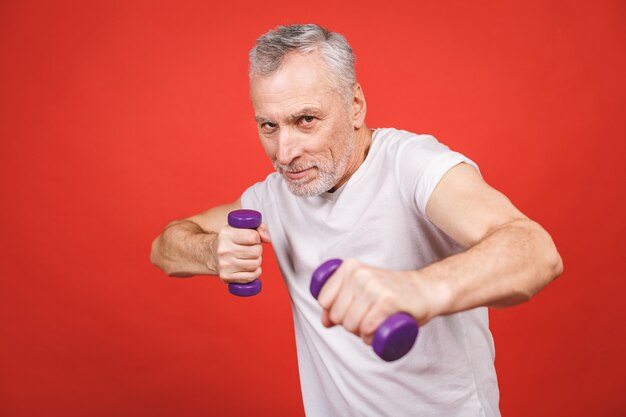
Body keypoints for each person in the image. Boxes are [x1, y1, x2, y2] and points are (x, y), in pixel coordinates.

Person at [151, 24, 563, 417]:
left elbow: (536, 251)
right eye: (269, 126)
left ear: (355, 105)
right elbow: (164, 249)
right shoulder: (276, 197)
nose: (284, 152)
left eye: (306, 120)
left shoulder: (413, 166)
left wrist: (418, 288)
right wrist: (209, 251)